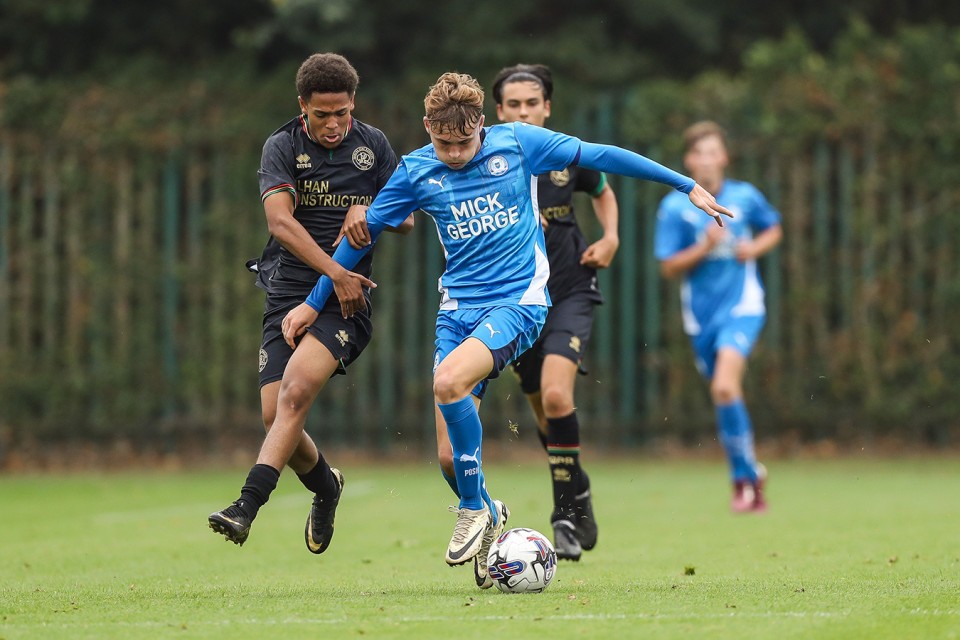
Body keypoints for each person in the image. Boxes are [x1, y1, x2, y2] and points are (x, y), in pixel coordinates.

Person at [281, 72, 732, 588]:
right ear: (428, 126)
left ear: (482, 125)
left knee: (448, 382)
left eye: (464, 142)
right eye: (443, 142)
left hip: (519, 303)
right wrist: (316, 302)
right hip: (457, 313)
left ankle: (473, 511)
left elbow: (601, 155)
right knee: (450, 458)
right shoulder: (415, 170)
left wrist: (685, 184)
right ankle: (488, 508)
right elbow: (359, 241)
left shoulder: (518, 144)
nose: (453, 154)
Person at [208, 52, 413, 550]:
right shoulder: (281, 146)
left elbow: (405, 217)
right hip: (290, 291)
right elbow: (280, 222)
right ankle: (327, 487)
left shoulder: (374, 145)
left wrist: (369, 210)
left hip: (346, 302)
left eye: (342, 112)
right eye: (322, 115)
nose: (334, 124)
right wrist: (334, 269)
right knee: (273, 414)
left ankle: (247, 504)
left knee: (295, 394)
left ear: (353, 104)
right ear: (302, 106)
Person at [490, 63, 618, 561]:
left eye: (532, 103)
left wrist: (610, 238)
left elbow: (603, 191)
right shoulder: (485, 159)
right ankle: (579, 490)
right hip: (517, 297)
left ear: (547, 107)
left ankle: (564, 514)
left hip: (569, 286)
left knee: (557, 395)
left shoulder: (567, 152)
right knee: (544, 415)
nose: (524, 112)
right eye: (513, 105)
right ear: (498, 112)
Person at [654, 121, 782, 513]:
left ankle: (742, 481)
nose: (706, 160)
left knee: (725, 387)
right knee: (723, 394)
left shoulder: (745, 196)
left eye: (713, 152)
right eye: (699, 153)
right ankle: (749, 475)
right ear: (689, 160)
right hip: (701, 317)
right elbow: (668, 267)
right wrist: (703, 248)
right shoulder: (676, 205)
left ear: (724, 157)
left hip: (743, 306)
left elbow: (773, 228)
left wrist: (753, 248)